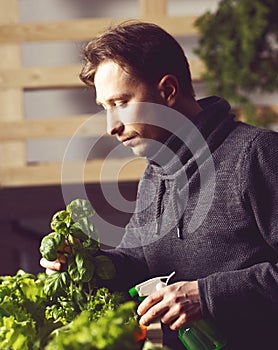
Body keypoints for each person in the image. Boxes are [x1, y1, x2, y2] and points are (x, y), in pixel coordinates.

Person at [41, 21, 278, 349]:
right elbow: (138, 265)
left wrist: (207, 296)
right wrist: (84, 264)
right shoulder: (155, 176)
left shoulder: (258, 153)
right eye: (105, 109)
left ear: (167, 91)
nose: (112, 127)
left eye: (121, 103)